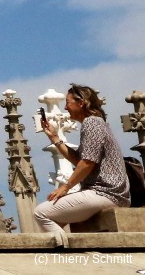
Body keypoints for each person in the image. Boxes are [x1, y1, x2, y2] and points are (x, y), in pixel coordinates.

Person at [33, 84, 130, 238]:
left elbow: (87, 163)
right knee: (55, 219)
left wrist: (65, 187)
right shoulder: (96, 123)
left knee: (41, 213)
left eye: (68, 102)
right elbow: (79, 160)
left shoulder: (91, 123)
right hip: (111, 194)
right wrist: (55, 137)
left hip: (105, 193)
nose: (65, 107)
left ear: (81, 103)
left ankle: (66, 249)